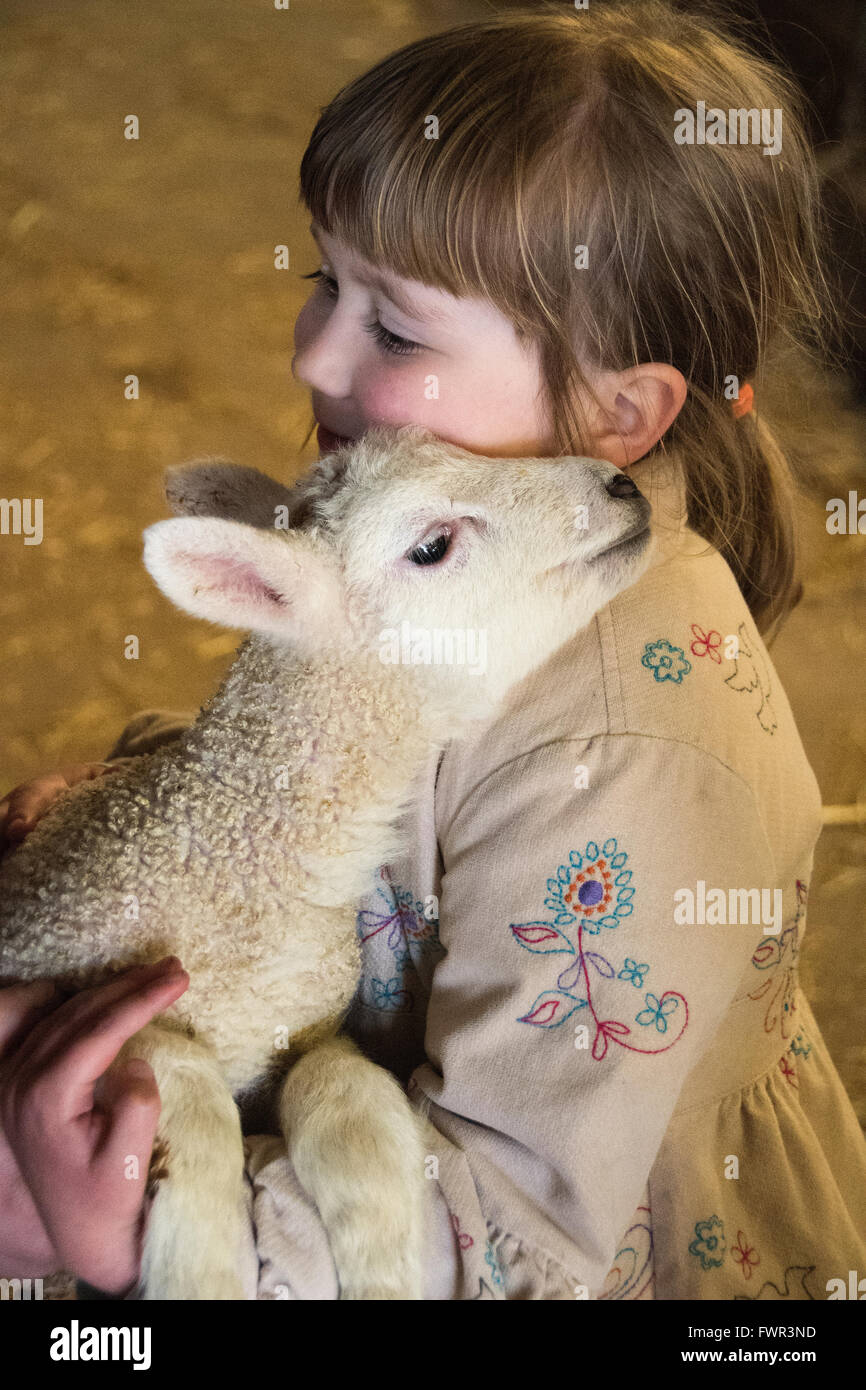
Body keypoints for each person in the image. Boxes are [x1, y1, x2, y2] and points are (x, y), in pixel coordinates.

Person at [2, 2, 865, 1299]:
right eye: (322, 282)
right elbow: (345, 762)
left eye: (393, 326)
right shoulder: (421, 544)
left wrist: (146, 1231)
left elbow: (517, 1217)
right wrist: (138, 811)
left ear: (621, 410)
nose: (314, 349)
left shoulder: (622, 748)